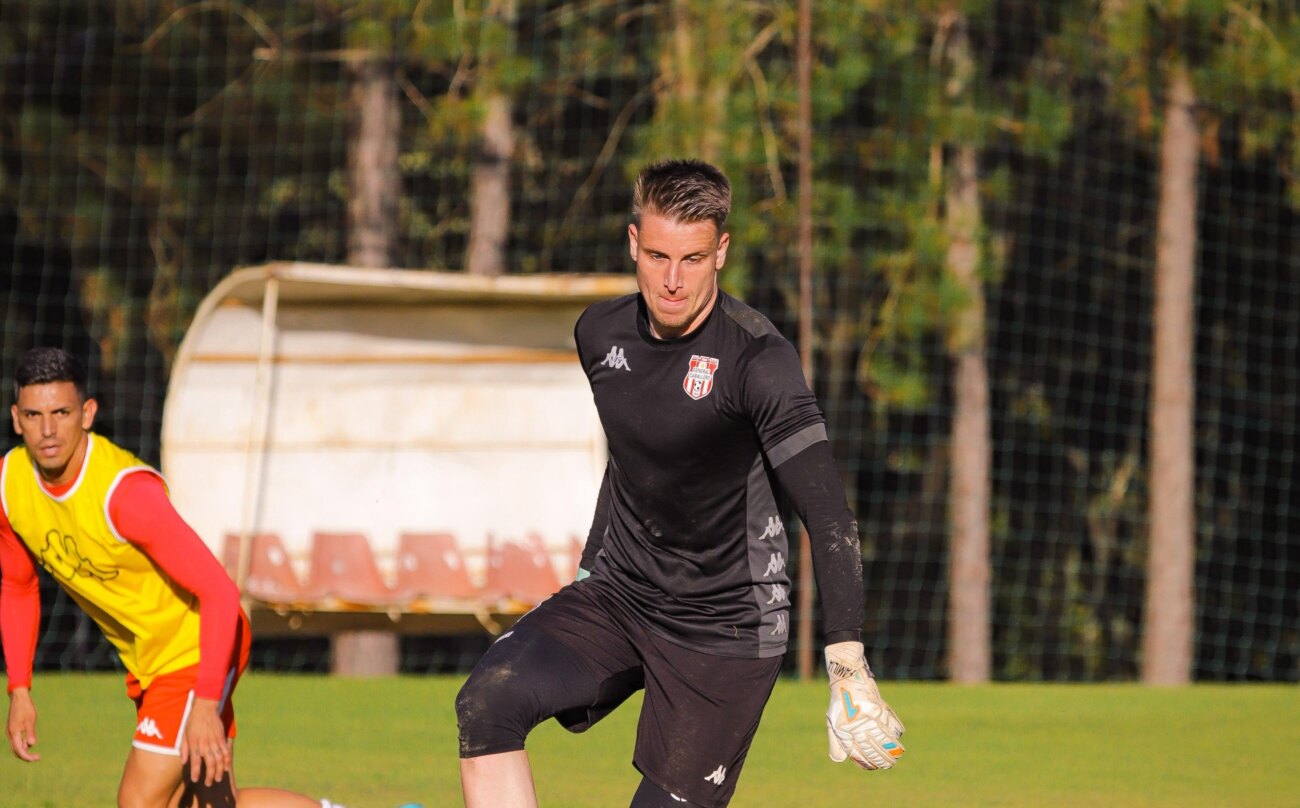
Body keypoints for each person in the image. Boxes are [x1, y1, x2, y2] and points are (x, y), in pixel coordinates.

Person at [456, 158, 905, 808]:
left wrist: (847, 660)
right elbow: (635, 455)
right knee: (487, 700)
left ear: (720, 252)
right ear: (633, 242)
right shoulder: (599, 334)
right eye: (658, 255)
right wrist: (589, 570)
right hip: (622, 597)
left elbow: (830, 515)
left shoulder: (759, 361)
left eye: (692, 259)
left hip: (726, 629)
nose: (672, 281)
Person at [0, 347, 345, 808]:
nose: (47, 430)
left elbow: (221, 592)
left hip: (196, 647)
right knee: (206, 804)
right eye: (34, 414)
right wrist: (20, 689)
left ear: (87, 414)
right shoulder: (9, 485)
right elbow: (17, 586)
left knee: (139, 801)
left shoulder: (125, 494)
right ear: (16, 418)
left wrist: (204, 704)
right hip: (150, 662)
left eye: (61, 412)